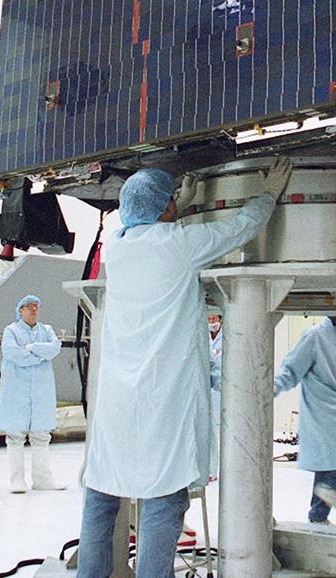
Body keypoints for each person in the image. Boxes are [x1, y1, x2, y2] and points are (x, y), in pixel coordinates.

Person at [78, 157, 293, 577]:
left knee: (102, 495)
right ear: (165, 209)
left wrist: (181, 204)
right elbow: (239, 229)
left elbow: (149, 229)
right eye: (172, 201)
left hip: (118, 398)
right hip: (162, 398)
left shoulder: (118, 247)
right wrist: (268, 194)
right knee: (164, 499)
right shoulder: (180, 245)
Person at [273, 316, 336, 524]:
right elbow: (292, 368)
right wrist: (273, 387)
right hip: (321, 406)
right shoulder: (314, 336)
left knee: (328, 462)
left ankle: (318, 517)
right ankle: (332, 486)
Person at [0, 294, 64, 493]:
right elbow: (13, 354)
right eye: (29, 306)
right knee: (15, 435)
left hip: (41, 391)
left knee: (41, 435)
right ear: (20, 310)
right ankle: (17, 480)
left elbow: (54, 348)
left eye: (36, 306)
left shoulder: (46, 330)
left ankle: (43, 480)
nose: (34, 309)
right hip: (17, 390)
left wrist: (31, 348)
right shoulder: (11, 331)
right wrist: (40, 356)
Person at [207, 313, 222, 481]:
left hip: (218, 393)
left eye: (214, 319)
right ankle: (210, 470)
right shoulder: (202, 335)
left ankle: (212, 471)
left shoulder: (228, 336)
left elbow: (215, 368)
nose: (211, 323)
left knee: (215, 436)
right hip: (206, 395)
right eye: (209, 320)